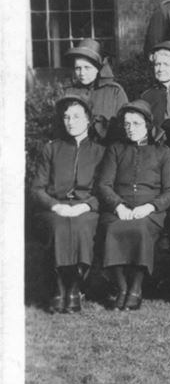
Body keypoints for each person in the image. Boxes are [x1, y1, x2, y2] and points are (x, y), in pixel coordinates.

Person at [30, 94, 105, 313]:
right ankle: (58, 288)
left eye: (76, 116)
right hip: (55, 208)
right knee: (60, 226)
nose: (71, 122)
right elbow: (36, 188)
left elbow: (104, 189)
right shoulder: (51, 148)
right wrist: (56, 206)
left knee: (81, 226)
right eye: (66, 117)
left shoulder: (100, 152)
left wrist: (86, 205)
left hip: (86, 208)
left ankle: (74, 288)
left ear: (88, 120)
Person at [96, 100, 170, 310]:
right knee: (112, 228)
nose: (131, 128)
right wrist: (118, 206)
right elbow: (103, 184)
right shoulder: (115, 149)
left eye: (136, 124)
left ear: (148, 125)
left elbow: (169, 191)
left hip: (149, 211)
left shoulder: (163, 152)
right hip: (118, 209)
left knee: (140, 229)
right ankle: (121, 287)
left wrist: (150, 207)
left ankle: (136, 288)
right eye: (127, 124)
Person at [63, 38, 128, 143]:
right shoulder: (69, 93)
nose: (82, 73)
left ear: (98, 68)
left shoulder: (115, 92)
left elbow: (125, 127)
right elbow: (61, 129)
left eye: (87, 68)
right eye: (78, 68)